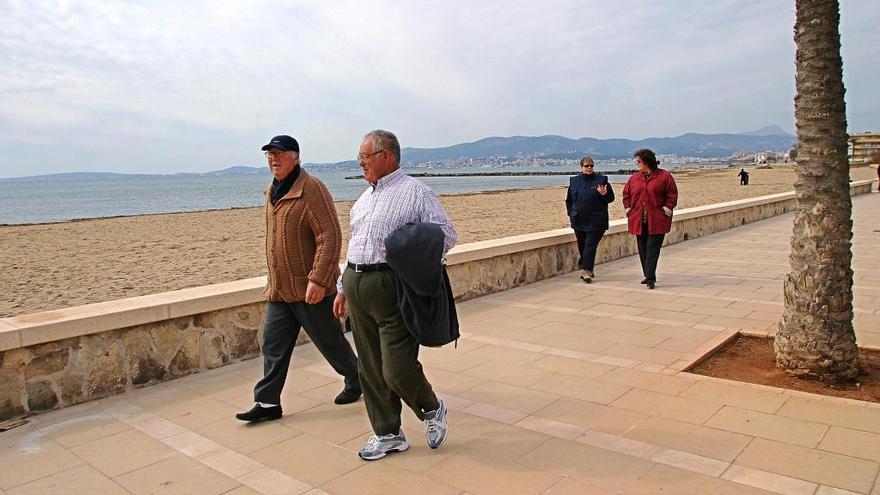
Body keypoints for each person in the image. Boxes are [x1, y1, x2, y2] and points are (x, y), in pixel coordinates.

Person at [333, 130, 457, 461]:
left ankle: (431, 408)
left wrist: (405, 251)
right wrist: (343, 288)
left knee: (396, 368)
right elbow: (355, 243)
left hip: (391, 287)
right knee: (370, 368)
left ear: (386, 156)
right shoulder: (363, 200)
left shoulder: (416, 192)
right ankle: (388, 433)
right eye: (359, 158)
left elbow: (445, 235)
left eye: (365, 157)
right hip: (357, 284)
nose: (360, 163)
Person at [235, 135, 361, 423]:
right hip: (280, 291)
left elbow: (329, 236)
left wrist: (317, 279)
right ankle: (267, 403)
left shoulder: (311, 188)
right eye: (269, 154)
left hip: (310, 289)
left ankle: (357, 378)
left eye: (279, 153)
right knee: (273, 346)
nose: (273, 159)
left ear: (296, 156)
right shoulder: (272, 192)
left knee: (330, 342)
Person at [622, 149, 678, 289]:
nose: (637, 164)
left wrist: (667, 208)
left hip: (657, 219)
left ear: (647, 162)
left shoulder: (664, 176)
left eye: (639, 161)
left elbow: (672, 194)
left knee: (653, 248)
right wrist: (628, 208)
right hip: (638, 219)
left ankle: (650, 277)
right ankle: (648, 274)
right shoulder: (634, 178)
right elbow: (626, 195)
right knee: (643, 249)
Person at [565, 156, 615, 283]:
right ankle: (588, 268)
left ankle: (586, 270)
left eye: (591, 166)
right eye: (586, 166)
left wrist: (604, 194)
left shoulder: (601, 180)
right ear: (581, 167)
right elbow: (569, 199)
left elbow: (610, 198)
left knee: (590, 245)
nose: (589, 168)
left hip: (597, 220)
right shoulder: (574, 181)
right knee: (582, 245)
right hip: (579, 220)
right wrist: (571, 213)